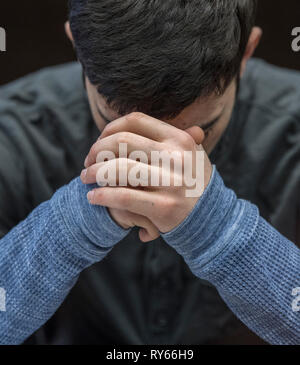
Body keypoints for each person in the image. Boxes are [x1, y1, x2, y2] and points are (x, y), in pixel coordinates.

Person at [0, 0, 299, 345]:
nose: (155, 166)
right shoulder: (11, 134)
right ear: (78, 49)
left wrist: (218, 229)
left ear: (245, 53)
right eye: (118, 127)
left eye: (199, 129)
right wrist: (73, 223)